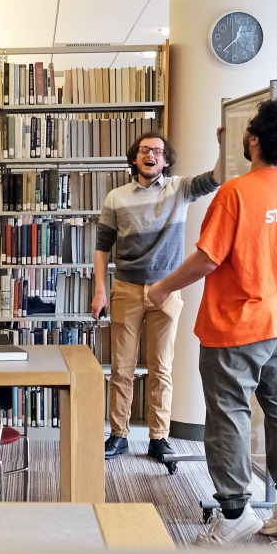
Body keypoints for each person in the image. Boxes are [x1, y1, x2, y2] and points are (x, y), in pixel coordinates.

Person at [147, 96, 277, 547]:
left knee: (228, 416)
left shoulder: (237, 192)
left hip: (237, 323)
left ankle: (234, 512)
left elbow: (207, 259)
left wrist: (163, 287)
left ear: (255, 138)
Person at [92, 131, 222, 462]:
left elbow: (217, 178)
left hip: (168, 290)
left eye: (159, 151)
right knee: (121, 367)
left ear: (166, 160)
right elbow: (102, 248)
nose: (152, 155)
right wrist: (99, 291)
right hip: (126, 289)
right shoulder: (116, 198)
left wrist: (223, 143)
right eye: (145, 150)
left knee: (161, 367)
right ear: (135, 158)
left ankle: (158, 437)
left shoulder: (179, 188)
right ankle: (119, 434)